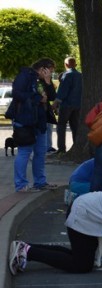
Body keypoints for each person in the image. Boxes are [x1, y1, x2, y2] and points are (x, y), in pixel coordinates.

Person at [10, 58, 58, 192]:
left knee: (40, 153)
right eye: (50, 71)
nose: (50, 74)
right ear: (43, 68)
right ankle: (21, 185)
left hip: (40, 121)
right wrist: (37, 98)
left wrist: (48, 82)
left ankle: (40, 182)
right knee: (24, 152)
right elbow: (17, 94)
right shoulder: (25, 76)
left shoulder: (43, 80)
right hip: (26, 120)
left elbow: (52, 97)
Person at [52, 57, 82, 154]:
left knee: (61, 126)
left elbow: (62, 91)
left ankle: (61, 149)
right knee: (75, 127)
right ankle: (76, 147)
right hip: (78, 105)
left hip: (66, 105)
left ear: (66, 65)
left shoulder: (67, 75)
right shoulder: (81, 76)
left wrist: (55, 103)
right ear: (76, 65)